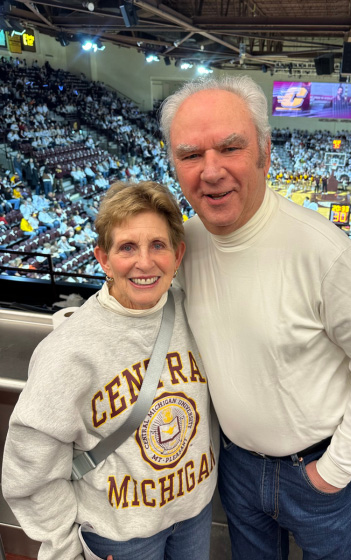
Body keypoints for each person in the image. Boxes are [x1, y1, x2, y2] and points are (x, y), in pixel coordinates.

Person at [159, 75, 351, 560]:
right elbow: (132, 306)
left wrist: (332, 472)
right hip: (236, 467)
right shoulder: (183, 245)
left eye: (230, 148)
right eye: (191, 155)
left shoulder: (325, 253)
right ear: (174, 163)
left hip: (320, 471)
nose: (210, 172)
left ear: (264, 152)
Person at [2, 181, 217, 560]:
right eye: (127, 247)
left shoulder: (199, 312)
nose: (145, 262)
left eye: (158, 245)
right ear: (103, 258)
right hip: (120, 538)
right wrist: (65, 547)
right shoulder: (67, 351)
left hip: (194, 515)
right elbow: (29, 472)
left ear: (178, 254)